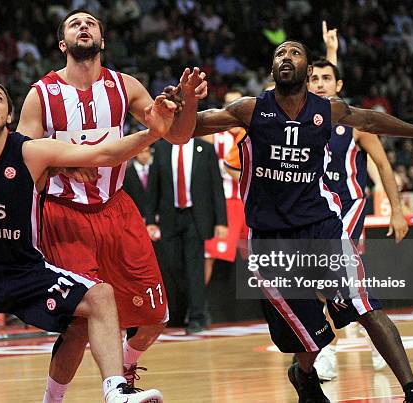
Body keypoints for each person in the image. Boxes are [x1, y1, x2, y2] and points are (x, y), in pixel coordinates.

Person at [183, 40, 413, 402]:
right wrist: (182, 106)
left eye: (294, 53)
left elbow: (369, 119)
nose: (286, 57)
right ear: (271, 70)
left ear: (305, 69)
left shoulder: (327, 110)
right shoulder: (249, 110)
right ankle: (305, 376)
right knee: (313, 330)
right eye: (279, 54)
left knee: (364, 305)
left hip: (322, 226)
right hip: (272, 237)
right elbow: (190, 128)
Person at [0, 81, 177, 403]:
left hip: (24, 270)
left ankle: (115, 391)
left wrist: (153, 133)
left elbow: (102, 153)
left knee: (101, 296)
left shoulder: (31, 152)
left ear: (9, 115)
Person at [15, 9, 207, 396]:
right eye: (74, 23)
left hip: (117, 210)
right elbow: (19, 165)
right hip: (64, 216)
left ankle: (127, 371)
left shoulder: (125, 87)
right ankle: (57, 398)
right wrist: (61, 167)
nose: (83, 26)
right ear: (61, 43)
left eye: (90, 23)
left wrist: (187, 103)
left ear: (102, 41)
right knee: (80, 324)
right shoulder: (41, 95)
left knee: (155, 317)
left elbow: (175, 135)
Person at [304, 23, 410, 381]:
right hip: (316, 212)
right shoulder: (301, 120)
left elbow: (382, 162)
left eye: (326, 78)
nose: (319, 83)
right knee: (331, 283)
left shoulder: (354, 122)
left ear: (339, 85)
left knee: (336, 278)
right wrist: (329, 52)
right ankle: (355, 341)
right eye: (313, 78)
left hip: (349, 209)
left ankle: (335, 351)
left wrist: (396, 209)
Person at [145, 137, 227, 333]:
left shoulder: (205, 149)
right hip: (169, 217)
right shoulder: (162, 148)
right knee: (174, 266)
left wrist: (221, 221)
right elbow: (153, 186)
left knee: (195, 268)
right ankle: (182, 312)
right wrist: (149, 220)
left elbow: (216, 185)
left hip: (196, 217)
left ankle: (198, 316)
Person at [202, 91, 249, 287]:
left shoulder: (253, 131)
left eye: (239, 103)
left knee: (264, 255)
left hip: (250, 200)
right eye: (230, 103)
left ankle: (277, 307)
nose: (235, 107)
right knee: (210, 254)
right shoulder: (213, 135)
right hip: (226, 202)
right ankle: (197, 306)